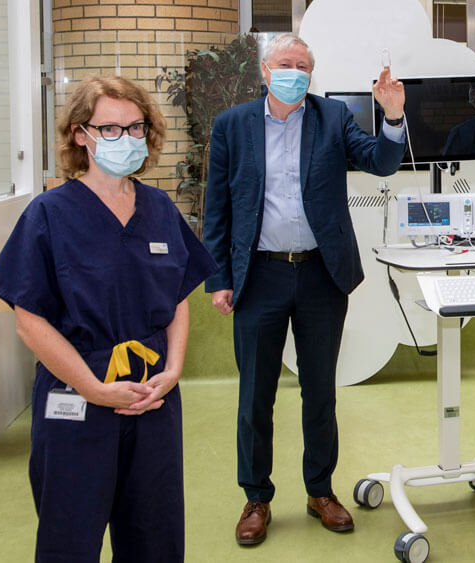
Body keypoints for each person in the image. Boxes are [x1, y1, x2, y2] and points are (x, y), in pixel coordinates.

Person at [0, 75, 217, 561]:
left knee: (155, 534)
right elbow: (29, 321)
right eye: (109, 129)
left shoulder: (158, 208)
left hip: (151, 395)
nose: (125, 140)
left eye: (135, 128)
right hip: (75, 398)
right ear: (79, 134)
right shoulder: (49, 213)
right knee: (70, 535)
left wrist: (171, 372)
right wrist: (93, 388)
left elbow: (175, 300)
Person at [202, 33, 406, 545]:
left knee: (320, 392)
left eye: (303, 65)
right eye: (285, 63)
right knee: (255, 396)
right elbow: (218, 208)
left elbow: (380, 162)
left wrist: (393, 116)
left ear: (311, 75)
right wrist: (219, 279)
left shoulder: (331, 118)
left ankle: (320, 490)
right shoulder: (232, 126)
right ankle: (256, 497)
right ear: (266, 71)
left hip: (320, 275)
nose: (294, 71)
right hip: (259, 276)